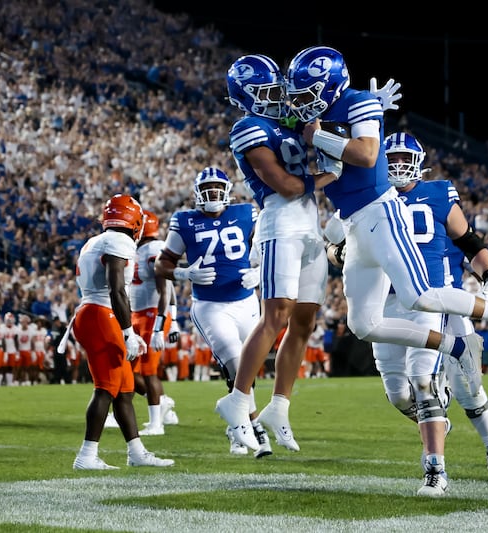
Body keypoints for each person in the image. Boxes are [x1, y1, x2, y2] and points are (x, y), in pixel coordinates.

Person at [287, 45, 488, 421]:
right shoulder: (325, 115)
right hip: (356, 223)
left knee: (420, 296)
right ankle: (454, 346)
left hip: (382, 213)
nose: (302, 101)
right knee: (362, 324)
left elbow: (369, 155)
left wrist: (319, 138)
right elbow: (334, 164)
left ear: (331, 85)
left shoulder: (358, 103)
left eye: (309, 91)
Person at [366, 132, 488, 496]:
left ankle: (476, 454)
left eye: (404, 158)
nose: (397, 165)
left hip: (438, 301)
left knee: (462, 385)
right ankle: (436, 419)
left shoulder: (438, 194)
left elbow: (470, 242)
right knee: (400, 395)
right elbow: (344, 249)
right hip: (386, 303)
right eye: (391, 158)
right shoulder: (370, 196)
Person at [214, 54, 341, 455]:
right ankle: (236, 401)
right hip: (280, 223)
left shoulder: (287, 119)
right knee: (277, 315)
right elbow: (285, 185)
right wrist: (328, 175)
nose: (275, 99)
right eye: (266, 92)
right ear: (246, 97)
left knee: (304, 319)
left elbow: (324, 121)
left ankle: (279, 406)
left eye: (277, 91)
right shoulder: (247, 128)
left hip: (309, 225)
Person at [155, 167, 272, 457]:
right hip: (210, 305)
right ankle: (254, 426)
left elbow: (270, 248)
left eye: (218, 188)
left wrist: (260, 271)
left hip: (246, 302)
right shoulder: (184, 221)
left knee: (246, 369)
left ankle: (236, 426)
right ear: (197, 193)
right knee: (235, 360)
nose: (213, 195)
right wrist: (184, 274)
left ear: (228, 191)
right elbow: (161, 265)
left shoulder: (246, 213)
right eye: (207, 189)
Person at [69, 194, 174, 470]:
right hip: (102, 315)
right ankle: (86, 456)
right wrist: (128, 332)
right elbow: (116, 288)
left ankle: (136, 452)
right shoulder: (120, 240)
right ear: (135, 221)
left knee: (125, 389)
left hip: (95, 313)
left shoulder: (95, 240)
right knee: (106, 388)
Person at [129, 210, 178, 435]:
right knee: (129, 370)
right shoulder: (138, 250)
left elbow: (165, 289)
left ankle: (156, 423)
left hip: (151, 315)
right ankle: (162, 402)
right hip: (136, 314)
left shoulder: (155, 248)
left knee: (149, 371)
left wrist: (162, 325)